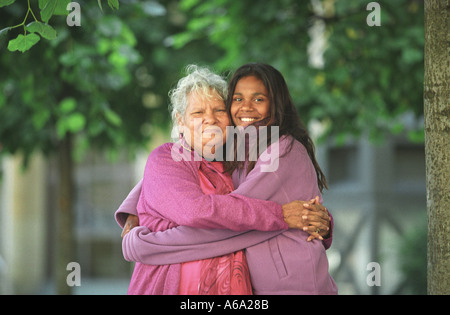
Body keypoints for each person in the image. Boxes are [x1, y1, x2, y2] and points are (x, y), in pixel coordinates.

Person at [117, 63, 337, 295]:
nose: (210, 119)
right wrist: (281, 215)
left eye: (219, 111)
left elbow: (238, 216)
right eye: (198, 113)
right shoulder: (170, 158)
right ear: (180, 121)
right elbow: (199, 211)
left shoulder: (244, 159)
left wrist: (315, 219)